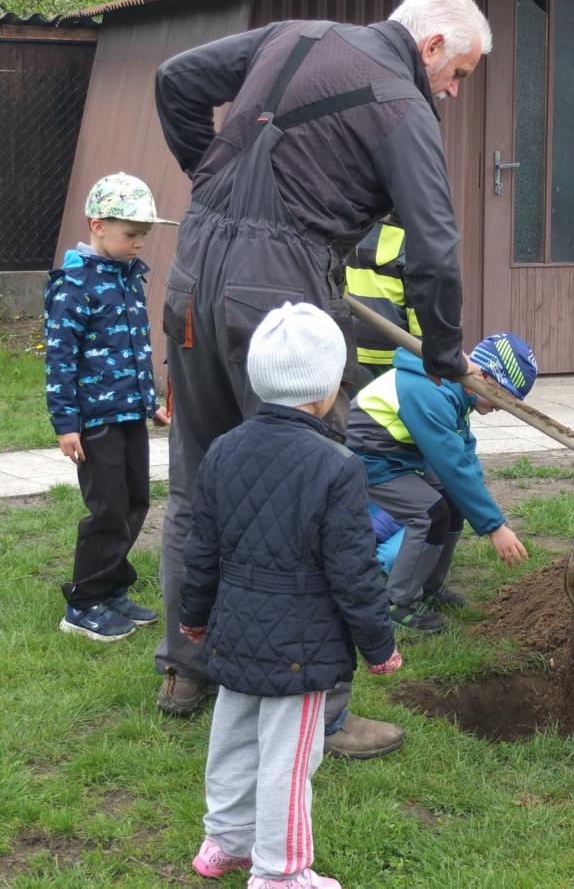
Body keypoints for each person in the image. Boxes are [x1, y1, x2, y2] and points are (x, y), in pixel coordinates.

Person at [151, 0, 490, 756]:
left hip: (193, 276)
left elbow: (175, 79)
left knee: (197, 483)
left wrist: (208, 178)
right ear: (433, 45)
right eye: (460, 74)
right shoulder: (401, 103)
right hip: (281, 295)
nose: (452, 92)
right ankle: (323, 709)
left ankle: (184, 670)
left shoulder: (292, 34)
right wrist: (444, 354)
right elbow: (434, 249)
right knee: (317, 494)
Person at [180, 302, 403, 889]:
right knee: (289, 760)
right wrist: (379, 646)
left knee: (232, 739)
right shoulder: (337, 466)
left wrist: (195, 617)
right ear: (327, 390)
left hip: (233, 631)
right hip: (301, 650)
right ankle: (281, 873)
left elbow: (200, 549)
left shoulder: (223, 450)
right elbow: (355, 570)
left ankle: (224, 842)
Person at [45, 173, 175, 641]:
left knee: (136, 500)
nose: (140, 242)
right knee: (107, 508)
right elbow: (60, 358)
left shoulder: (128, 276)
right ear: (98, 226)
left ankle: (112, 588)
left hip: (128, 415)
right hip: (95, 422)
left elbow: (135, 349)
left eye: (144, 234)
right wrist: (66, 424)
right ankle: (82, 605)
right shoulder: (75, 283)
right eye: (131, 233)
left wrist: (149, 403)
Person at [347, 332, 537, 634]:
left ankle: (428, 587)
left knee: (453, 502)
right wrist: (493, 527)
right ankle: (399, 602)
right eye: (504, 396)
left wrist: (489, 512)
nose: (502, 406)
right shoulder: (429, 392)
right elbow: (452, 466)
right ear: (484, 377)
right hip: (370, 461)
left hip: (399, 457)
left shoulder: (453, 389)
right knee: (430, 513)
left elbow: (464, 456)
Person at [345, 213, 421, 385]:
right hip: (394, 356)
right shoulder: (412, 246)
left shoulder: (349, 238)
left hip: (352, 350)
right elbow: (418, 313)